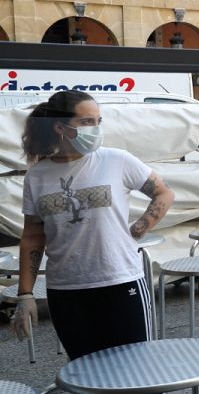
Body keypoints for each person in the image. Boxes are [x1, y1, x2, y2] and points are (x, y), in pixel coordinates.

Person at [11, 90, 175, 359]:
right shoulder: (37, 176)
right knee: (86, 373)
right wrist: (25, 295)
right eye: (87, 122)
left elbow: (163, 192)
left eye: (98, 121)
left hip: (120, 282)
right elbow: (32, 236)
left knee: (139, 371)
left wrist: (139, 228)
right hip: (67, 291)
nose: (96, 129)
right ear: (59, 126)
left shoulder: (116, 160)